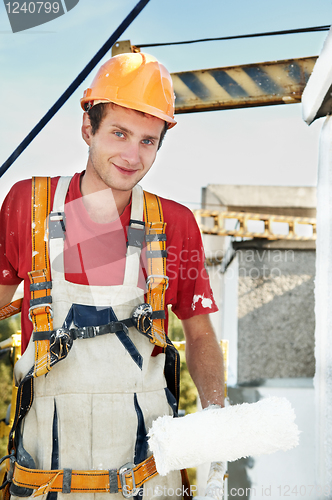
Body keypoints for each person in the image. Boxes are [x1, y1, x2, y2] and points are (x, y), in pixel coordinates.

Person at [0, 52, 224, 500]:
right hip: (44, 477)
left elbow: (199, 334)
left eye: (147, 141)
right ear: (88, 129)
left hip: (147, 479)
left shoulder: (173, 223)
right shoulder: (27, 206)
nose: (131, 155)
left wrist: (217, 425)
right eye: (118, 133)